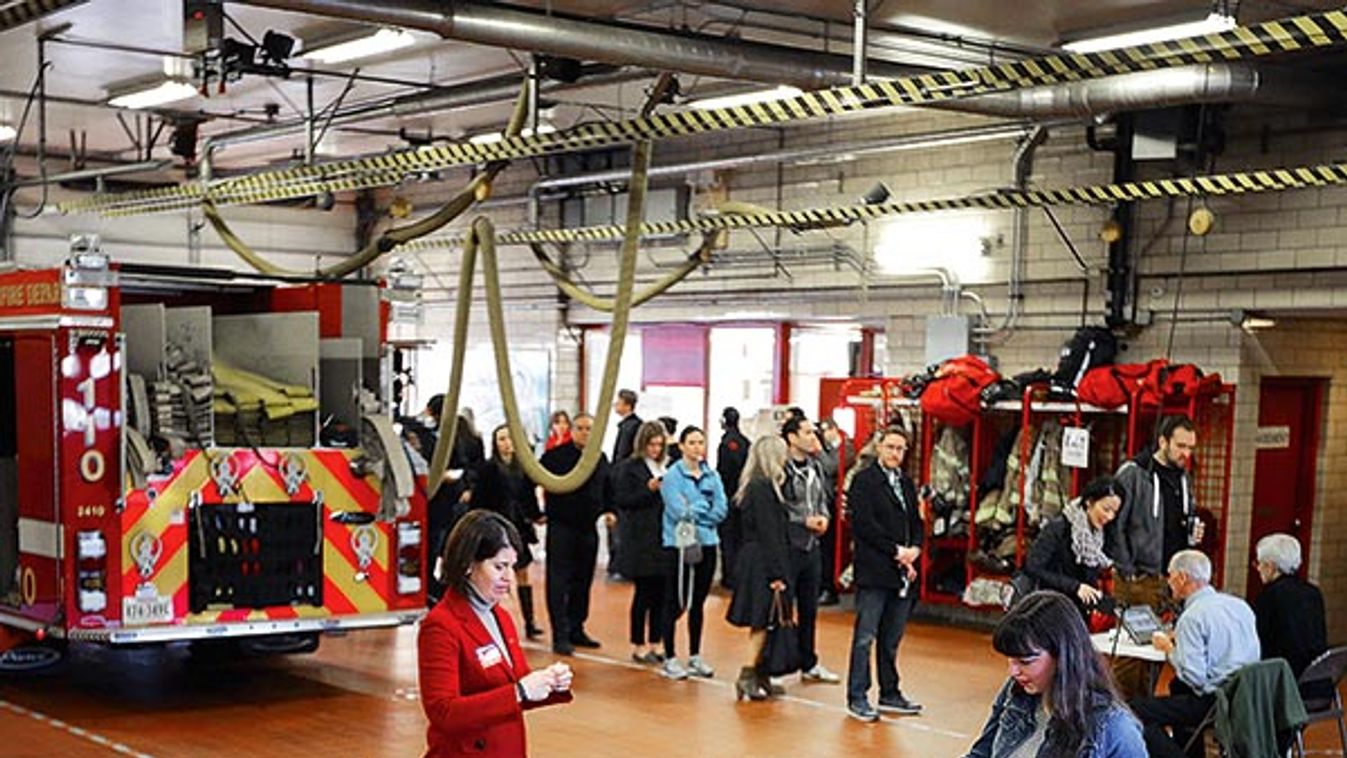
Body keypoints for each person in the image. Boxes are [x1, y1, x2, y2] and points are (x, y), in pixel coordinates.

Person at [418, 510, 573, 757]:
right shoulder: (441, 626)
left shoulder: (501, 617)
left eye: (511, 567)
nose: (508, 578)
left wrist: (549, 683)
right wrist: (520, 692)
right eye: (499, 567)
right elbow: (443, 712)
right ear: (469, 564)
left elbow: (515, 684)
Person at [963, 590, 1145, 757]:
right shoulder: (1015, 691)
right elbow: (981, 754)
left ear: (1063, 656)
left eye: (1025, 662)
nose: (1013, 671)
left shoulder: (1114, 727)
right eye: (1010, 659)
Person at [1130, 550, 1260, 758]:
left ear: (1182, 578)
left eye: (1170, 575)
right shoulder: (1240, 606)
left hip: (1215, 700)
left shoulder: (1192, 617)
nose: (1168, 581)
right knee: (1177, 688)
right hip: (1247, 696)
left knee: (1135, 710)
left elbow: (1195, 677)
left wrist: (1170, 649)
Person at [844, 427, 924, 722]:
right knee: (865, 636)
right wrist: (896, 551)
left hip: (903, 573)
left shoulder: (906, 483)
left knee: (891, 637)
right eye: (890, 447)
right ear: (879, 447)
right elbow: (864, 525)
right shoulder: (864, 482)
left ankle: (890, 693)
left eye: (901, 449)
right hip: (875, 571)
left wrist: (915, 548)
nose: (895, 453)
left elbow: (916, 520)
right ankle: (857, 696)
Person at [1108, 415, 1203, 611]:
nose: (1186, 453)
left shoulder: (1184, 478)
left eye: (1191, 448)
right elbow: (1114, 524)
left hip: (1176, 578)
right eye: (1181, 446)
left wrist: (1193, 531)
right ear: (1163, 442)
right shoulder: (1133, 474)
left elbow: (1186, 515)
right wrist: (1127, 570)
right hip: (1141, 578)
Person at [658, 425, 728, 680]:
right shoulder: (672, 477)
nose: (698, 447)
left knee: (698, 601)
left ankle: (695, 655)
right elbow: (679, 511)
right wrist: (702, 507)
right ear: (682, 446)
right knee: (675, 601)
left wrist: (699, 510)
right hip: (678, 546)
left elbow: (721, 508)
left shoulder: (712, 475)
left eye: (701, 442)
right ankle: (669, 657)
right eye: (692, 442)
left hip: (708, 543)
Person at [725, 435, 792, 701]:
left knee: (767, 618)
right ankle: (749, 672)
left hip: (756, 557)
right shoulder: (764, 488)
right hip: (763, 561)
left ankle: (760, 673)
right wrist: (777, 573)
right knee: (762, 619)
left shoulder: (755, 486)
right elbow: (769, 533)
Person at [539, 413, 611, 655]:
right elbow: (531, 482)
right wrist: (533, 513)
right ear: (572, 430)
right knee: (558, 582)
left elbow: (608, 487)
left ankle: (576, 627)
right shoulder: (555, 457)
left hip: (588, 528)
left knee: (583, 580)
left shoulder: (599, 459)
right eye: (580, 428)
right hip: (561, 527)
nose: (585, 433)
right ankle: (560, 634)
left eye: (590, 429)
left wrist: (610, 511)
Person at [780, 415, 842, 687]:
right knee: (782, 608)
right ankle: (775, 663)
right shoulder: (781, 470)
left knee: (809, 607)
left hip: (811, 546)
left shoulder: (816, 467)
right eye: (806, 432)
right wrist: (801, 521)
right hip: (789, 546)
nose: (812, 436)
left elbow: (823, 498)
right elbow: (777, 509)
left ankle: (809, 662)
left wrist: (824, 518)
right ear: (791, 437)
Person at [473, 424, 545, 639]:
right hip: (495, 528)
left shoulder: (523, 468)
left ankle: (529, 622)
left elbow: (529, 498)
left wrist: (536, 515)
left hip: (518, 528)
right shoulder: (487, 469)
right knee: (492, 576)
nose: (506, 444)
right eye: (501, 439)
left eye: (510, 439)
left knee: (523, 574)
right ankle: (489, 618)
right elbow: (479, 501)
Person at [612, 421, 672, 665]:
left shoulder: (667, 466)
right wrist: (649, 490)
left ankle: (656, 642)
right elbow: (623, 500)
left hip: (663, 536)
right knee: (643, 593)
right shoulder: (630, 468)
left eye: (659, 445)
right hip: (640, 538)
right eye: (652, 444)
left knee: (661, 594)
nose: (656, 449)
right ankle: (638, 643)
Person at [1022, 476, 1122, 619]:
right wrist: (1075, 587)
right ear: (1089, 502)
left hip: (1076, 613)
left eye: (1114, 512)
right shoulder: (1058, 528)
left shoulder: (1099, 535)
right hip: (1048, 610)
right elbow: (1033, 567)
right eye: (1106, 509)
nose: (1110, 517)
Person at [1252, 533, 1328, 695]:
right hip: (1317, 683)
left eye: (1260, 563)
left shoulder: (1269, 596)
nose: (1258, 569)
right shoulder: (1313, 592)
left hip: (1285, 686)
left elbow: (1257, 642)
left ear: (1271, 567)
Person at [815, 419, 851, 606]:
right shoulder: (829, 449)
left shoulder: (847, 448)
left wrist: (818, 450)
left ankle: (829, 588)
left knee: (828, 549)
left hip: (835, 505)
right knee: (821, 549)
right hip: (822, 502)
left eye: (825, 430)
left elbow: (831, 467)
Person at [716, 406, 751, 590]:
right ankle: (740, 576)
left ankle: (729, 577)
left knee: (728, 539)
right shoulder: (746, 442)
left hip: (728, 496)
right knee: (741, 538)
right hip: (744, 497)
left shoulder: (725, 444)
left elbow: (724, 473)